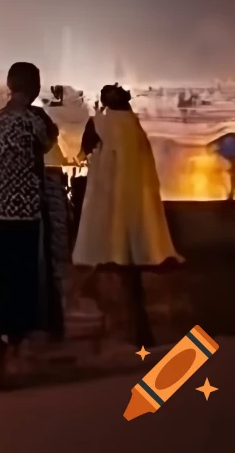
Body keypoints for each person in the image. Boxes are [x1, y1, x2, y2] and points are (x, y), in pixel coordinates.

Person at [73, 84, 181, 346]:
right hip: (136, 201)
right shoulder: (134, 126)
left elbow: (85, 151)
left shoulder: (99, 123)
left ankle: (131, 335)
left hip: (109, 199)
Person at [0, 62, 63, 381]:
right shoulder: (33, 119)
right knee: (23, 282)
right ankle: (15, 351)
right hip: (24, 214)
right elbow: (49, 141)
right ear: (35, 87)